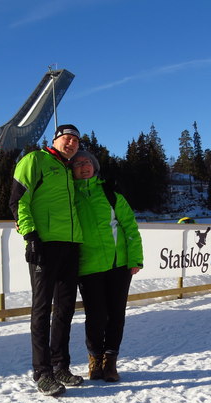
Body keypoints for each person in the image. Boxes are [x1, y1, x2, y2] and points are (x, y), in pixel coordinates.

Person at [9, 124, 85, 396]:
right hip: (44, 244)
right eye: (67, 138)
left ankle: (60, 366)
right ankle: (42, 372)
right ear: (55, 140)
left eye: (76, 140)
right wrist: (30, 235)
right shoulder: (35, 160)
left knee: (65, 309)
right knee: (41, 308)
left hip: (70, 245)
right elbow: (18, 201)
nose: (71, 143)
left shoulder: (68, 169)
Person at [70, 150, 143, 382]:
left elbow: (129, 226)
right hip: (88, 266)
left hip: (118, 264)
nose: (83, 166)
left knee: (116, 315)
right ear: (71, 170)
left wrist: (135, 258)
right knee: (96, 317)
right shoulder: (69, 195)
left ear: (95, 167)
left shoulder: (110, 194)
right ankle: (95, 359)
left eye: (87, 162)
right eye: (78, 163)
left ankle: (110, 362)